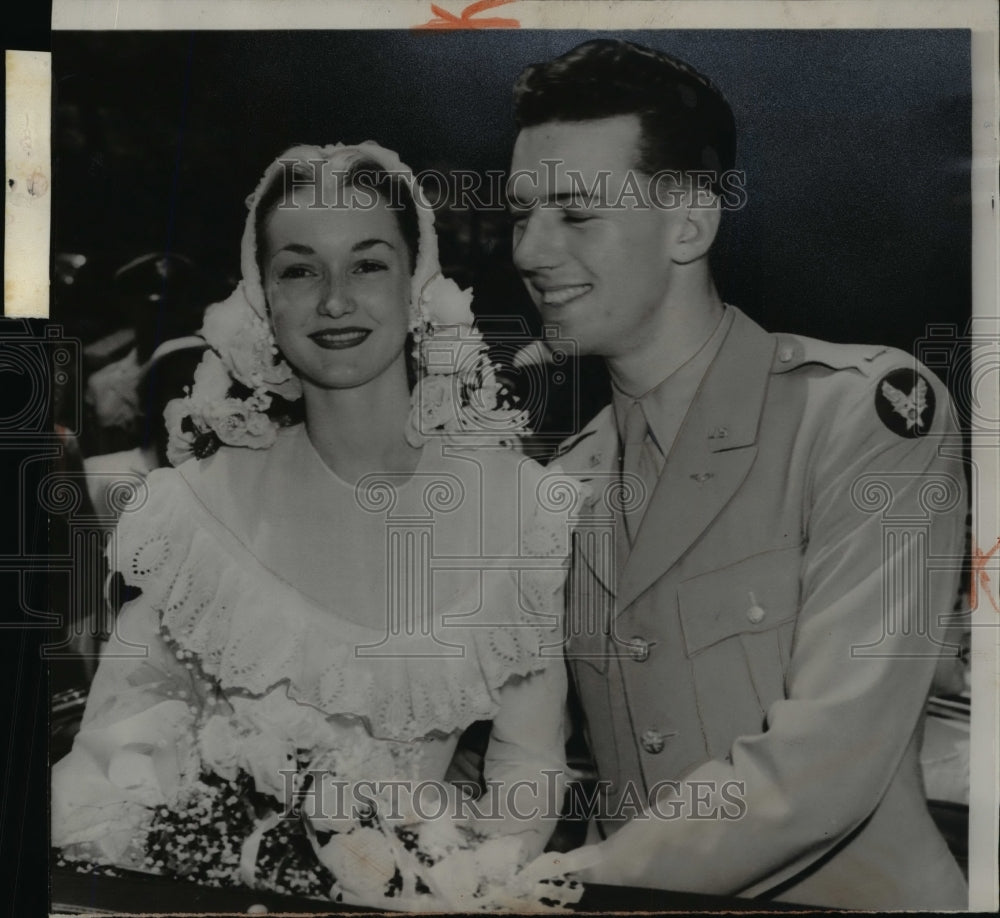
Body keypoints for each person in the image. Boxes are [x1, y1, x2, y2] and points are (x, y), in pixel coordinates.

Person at [51, 142, 582, 911]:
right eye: (300, 270)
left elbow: (526, 768)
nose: (335, 300)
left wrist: (442, 885)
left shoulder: (520, 507)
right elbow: (112, 762)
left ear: (415, 282)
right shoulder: (194, 510)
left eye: (367, 265)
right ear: (264, 296)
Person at [511, 40, 968, 909]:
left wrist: (568, 884)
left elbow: (826, 764)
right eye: (522, 213)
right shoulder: (564, 482)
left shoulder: (860, 415)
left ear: (690, 223)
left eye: (575, 214)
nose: (531, 250)